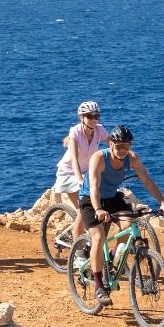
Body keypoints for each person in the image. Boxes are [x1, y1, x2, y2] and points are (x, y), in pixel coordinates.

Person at [82, 125, 164, 303]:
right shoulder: (100, 158)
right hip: (90, 200)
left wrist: (162, 201)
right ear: (111, 144)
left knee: (128, 225)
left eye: (126, 146)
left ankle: (115, 259)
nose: (123, 150)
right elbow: (93, 186)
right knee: (99, 237)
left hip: (112, 198)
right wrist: (98, 209)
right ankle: (99, 285)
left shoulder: (132, 159)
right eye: (119, 146)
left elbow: (147, 180)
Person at [52, 101, 109, 248]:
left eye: (96, 116)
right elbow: (74, 159)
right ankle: (77, 254)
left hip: (85, 172)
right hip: (69, 173)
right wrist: (79, 179)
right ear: (81, 117)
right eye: (89, 116)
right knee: (84, 211)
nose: (94, 119)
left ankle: (82, 237)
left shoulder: (99, 130)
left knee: (91, 207)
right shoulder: (75, 132)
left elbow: (113, 146)